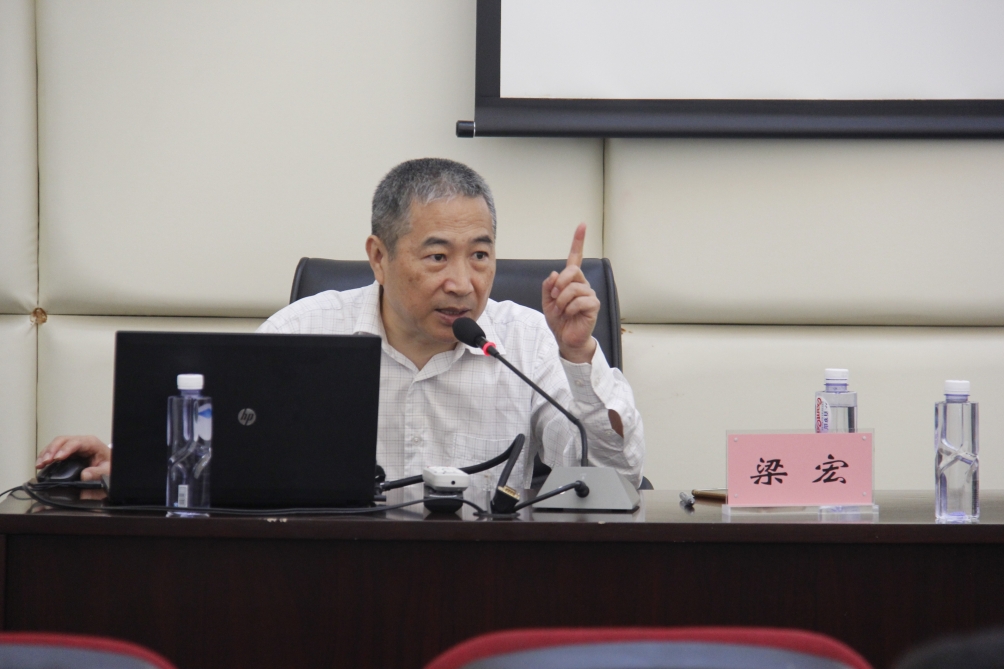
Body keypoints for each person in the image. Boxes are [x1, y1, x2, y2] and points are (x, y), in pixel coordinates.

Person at [36, 158, 645, 490]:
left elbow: (613, 476)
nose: (463, 281)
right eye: (437, 257)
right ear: (379, 257)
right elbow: (224, 446)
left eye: (481, 255)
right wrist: (130, 461)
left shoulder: (527, 340)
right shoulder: (306, 331)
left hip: (489, 587)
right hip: (330, 586)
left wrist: (577, 354)